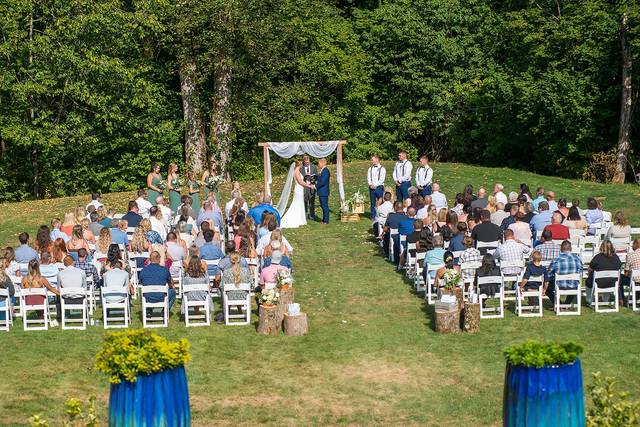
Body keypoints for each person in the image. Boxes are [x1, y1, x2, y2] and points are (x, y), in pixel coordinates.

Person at [586, 240, 622, 305]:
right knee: (608, 278)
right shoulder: (616, 257)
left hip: (598, 283)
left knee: (589, 280)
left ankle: (589, 299)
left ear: (602, 247)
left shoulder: (597, 257)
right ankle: (605, 299)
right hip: (612, 283)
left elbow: (589, 269)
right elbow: (619, 268)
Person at [546, 241, 582, 306]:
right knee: (576, 283)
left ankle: (559, 304)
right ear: (571, 248)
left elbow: (549, 274)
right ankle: (566, 304)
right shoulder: (578, 258)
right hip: (573, 285)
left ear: (561, 248)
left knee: (546, 287)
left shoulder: (556, 259)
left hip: (559, 285)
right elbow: (580, 271)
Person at [299, 155, 318, 221]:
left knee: (312, 202)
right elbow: (300, 178)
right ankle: (304, 215)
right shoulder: (301, 168)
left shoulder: (314, 167)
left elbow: (316, 176)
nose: (307, 163)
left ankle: (312, 216)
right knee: (304, 201)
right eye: (306, 162)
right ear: (303, 161)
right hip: (304, 187)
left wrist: (313, 180)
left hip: (312, 187)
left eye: (308, 161)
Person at [367, 155, 386, 220]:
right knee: (372, 202)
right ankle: (373, 216)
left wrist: (375, 185)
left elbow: (382, 179)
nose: (371, 161)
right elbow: (368, 177)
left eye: (372, 160)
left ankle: (380, 215)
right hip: (371, 187)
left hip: (379, 187)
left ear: (377, 160)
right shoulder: (370, 168)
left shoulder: (382, 168)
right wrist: (370, 184)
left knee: (380, 201)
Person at [622, 239, 640, 304]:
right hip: (636, 280)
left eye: (633, 244)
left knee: (620, 279)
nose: (632, 246)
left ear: (636, 245)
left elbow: (626, 271)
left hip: (635, 280)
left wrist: (626, 276)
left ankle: (622, 300)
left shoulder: (630, 255)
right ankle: (637, 298)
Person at [315, 158, 331, 225]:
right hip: (322, 191)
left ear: (322, 163)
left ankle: (326, 221)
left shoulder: (325, 171)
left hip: (323, 191)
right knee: (323, 206)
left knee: (324, 206)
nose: (318, 165)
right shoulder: (323, 170)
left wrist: (316, 185)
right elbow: (320, 179)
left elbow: (323, 181)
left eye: (319, 163)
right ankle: (324, 219)